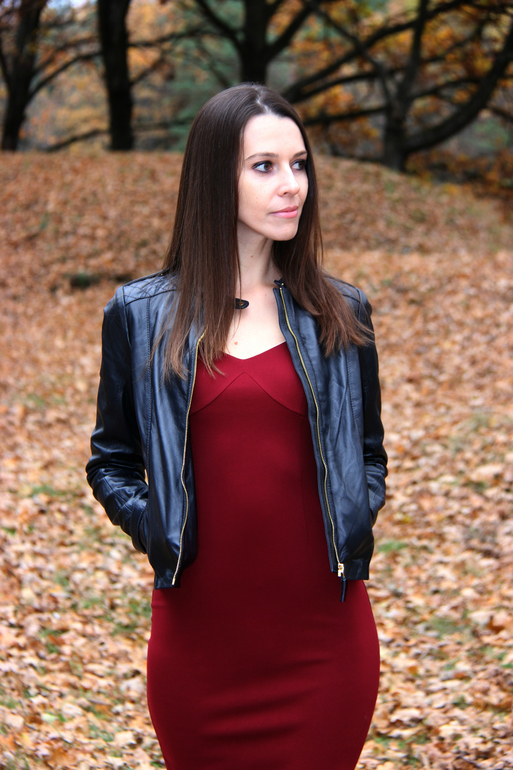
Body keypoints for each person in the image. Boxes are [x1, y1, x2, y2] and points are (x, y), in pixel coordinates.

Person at [86, 83, 387, 770]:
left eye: (299, 164)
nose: (292, 185)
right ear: (214, 177)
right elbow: (111, 460)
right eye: (264, 166)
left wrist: (354, 510)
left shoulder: (341, 312)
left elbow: (368, 453)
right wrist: (157, 525)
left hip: (323, 639)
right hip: (198, 642)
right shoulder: (140, 314)